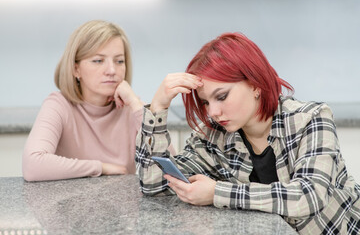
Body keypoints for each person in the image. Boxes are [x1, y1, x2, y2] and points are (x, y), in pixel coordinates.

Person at [135, 32, 360, 234]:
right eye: (205, 102)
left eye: (221, 96)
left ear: (254, 84)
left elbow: (308, 196)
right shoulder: (213, 136)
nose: (213, 112)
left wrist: (217, 193)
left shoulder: (311, 118)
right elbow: (153, 184)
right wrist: (157, 108)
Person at [23, 20, 144, 181]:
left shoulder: (132, 108)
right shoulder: (59, 105)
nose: (112, 70)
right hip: (71, 203)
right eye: (98, 61)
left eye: (119, 61)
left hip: (123, 204)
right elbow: (33, 165)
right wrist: (100, 167)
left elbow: (173, 167)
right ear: (76, 69)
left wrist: (137, 105)